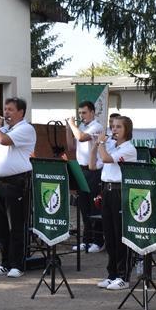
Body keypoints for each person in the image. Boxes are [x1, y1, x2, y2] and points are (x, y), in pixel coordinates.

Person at [0, 98, 36, 278]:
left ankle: (18, 265)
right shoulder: (3, 129)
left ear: (21, 112)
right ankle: (5, 263)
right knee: (1, 226)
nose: (6, 113)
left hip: (17, 182)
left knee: (16, 225)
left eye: (10, 109)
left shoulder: (25, 129)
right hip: (0, 182)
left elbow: (4, 141)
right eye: (5, 109)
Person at [91, 115, 137, 290]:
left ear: (127, 130)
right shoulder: (111, 146)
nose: (114, 129)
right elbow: (92, 165)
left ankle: (123, 276)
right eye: (113, 126)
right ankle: (112, 274)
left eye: (119, 127)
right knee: (109, 235)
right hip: (107, 191)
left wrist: (102, 143)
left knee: (120, 235)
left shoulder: (128, 149)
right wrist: (95, 145)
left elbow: (106, 159)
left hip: (120, 191)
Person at [65, 101, 104, 253]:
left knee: (94, 206)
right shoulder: (81, 127)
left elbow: (81, 138)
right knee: (83, 207)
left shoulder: (96, 126)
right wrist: (68, 129)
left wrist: (73, 125)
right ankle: (86, 240)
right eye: (80, 113)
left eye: (84, 112)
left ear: (92, 113)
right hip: (81, 170)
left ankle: (98, 241)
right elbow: (71, 146)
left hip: (94, 170)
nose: (82, 116)